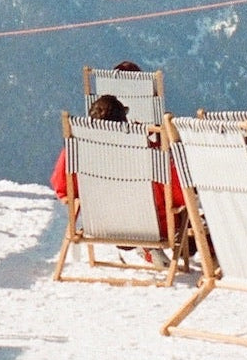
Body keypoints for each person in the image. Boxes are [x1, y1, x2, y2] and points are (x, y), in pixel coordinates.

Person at [50, 94, 186, 261]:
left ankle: (143, 251)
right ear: (124, 123)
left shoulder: (76, 152)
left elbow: (62, 187)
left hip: (102, 225)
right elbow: (179, 196)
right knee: (188, 217)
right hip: (153, 228)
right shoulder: (149, 153)